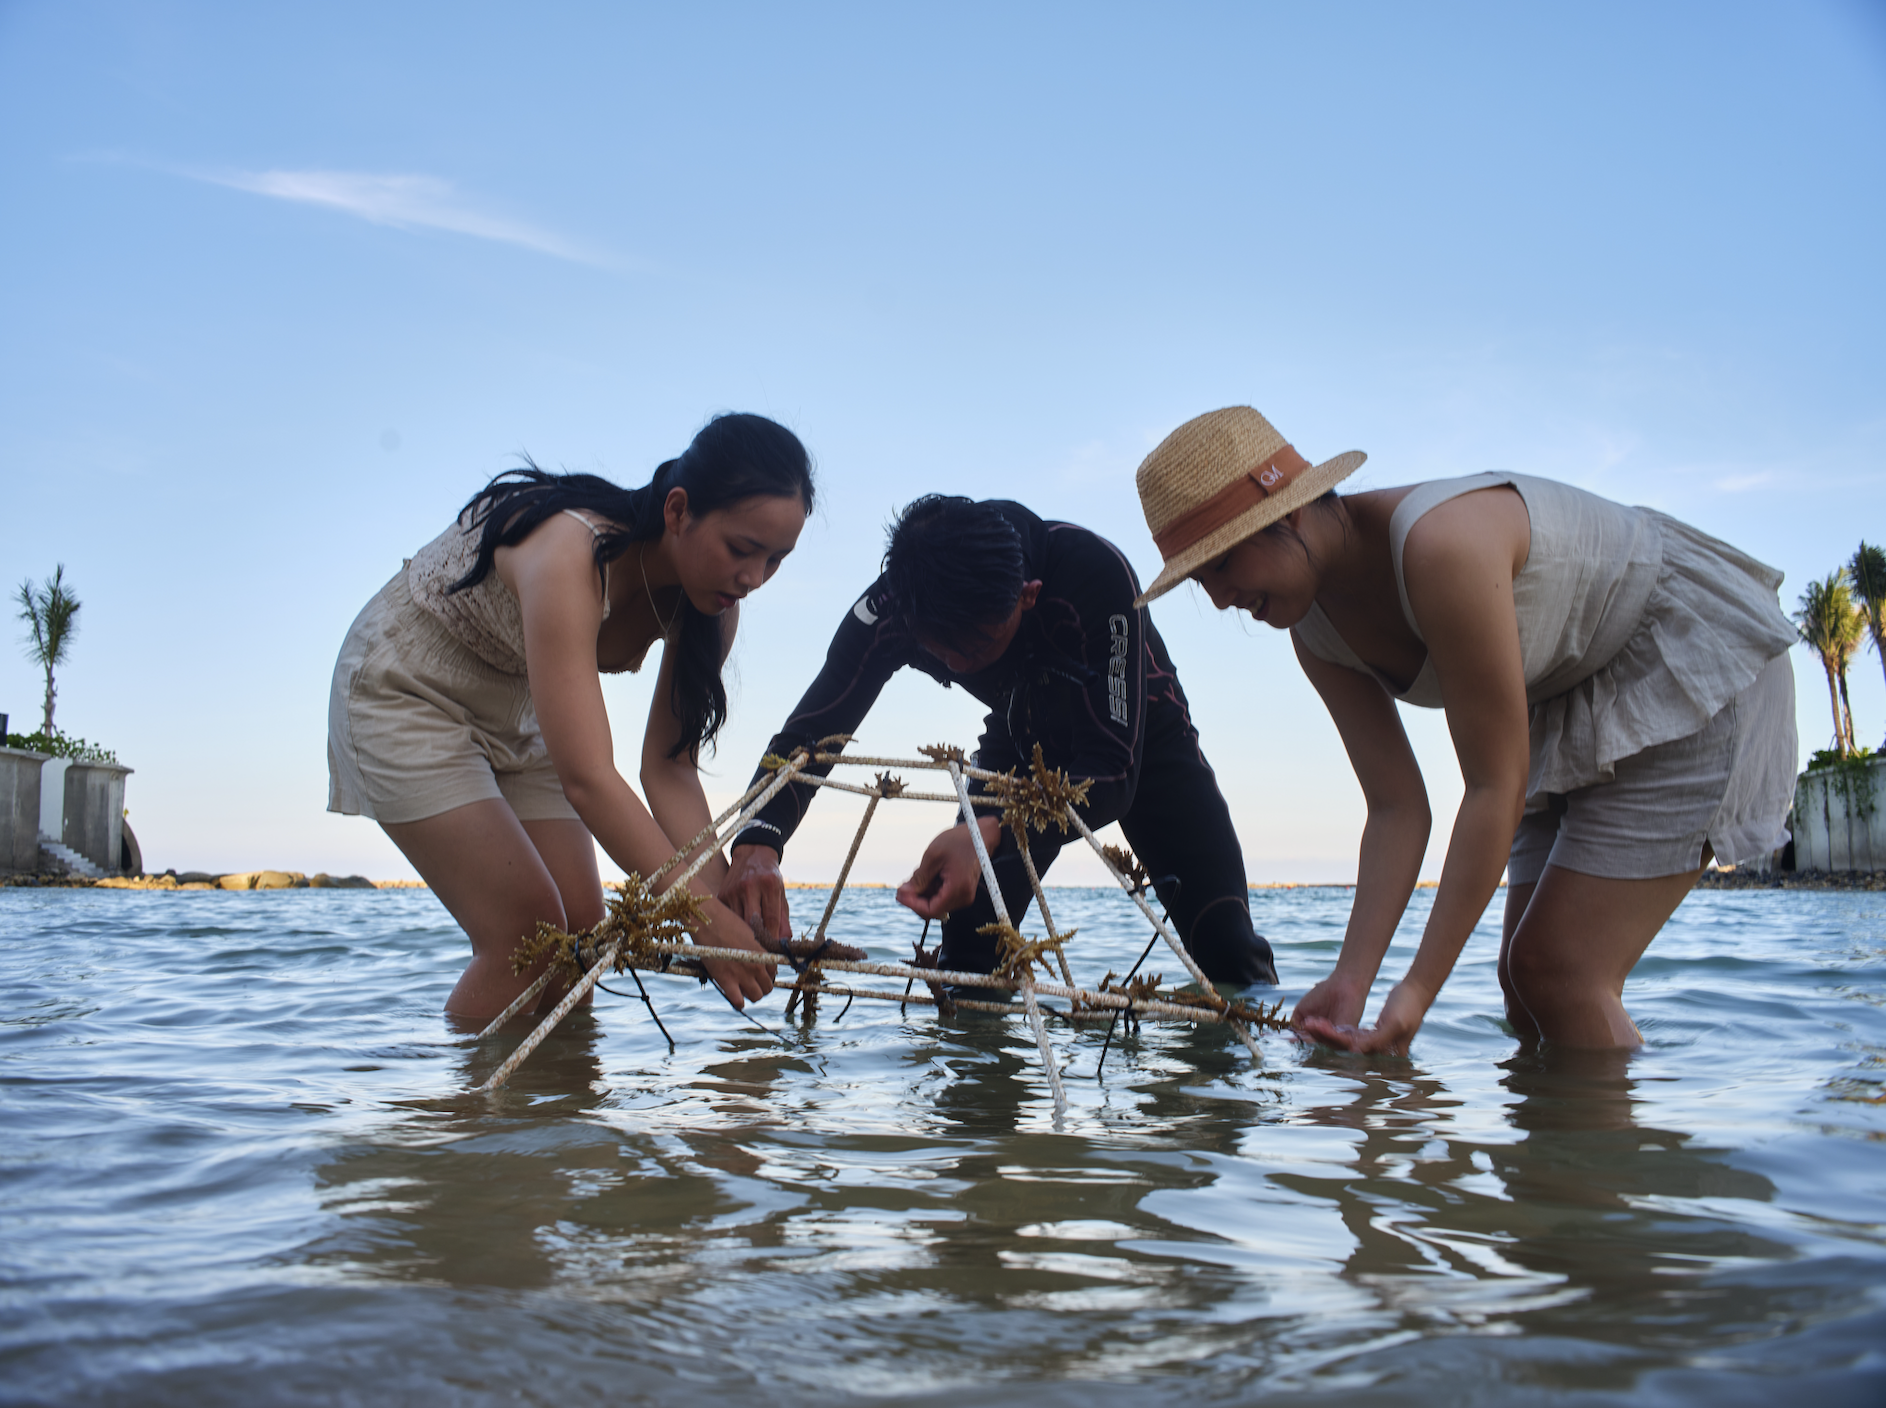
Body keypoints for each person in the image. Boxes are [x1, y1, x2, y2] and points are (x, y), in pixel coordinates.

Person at [1132, 406, 1798, 1053]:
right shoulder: (1313, 632)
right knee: (1521, 982)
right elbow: (1396, 807)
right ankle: (1561, 1166)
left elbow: (1492, 787)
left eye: (1219, 565)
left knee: (1560, 971)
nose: (1219, 600)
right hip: (1561, 704)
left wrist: (1418, 991)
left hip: (1676, 661)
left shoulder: (1440, 546)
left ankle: (1627, 1165)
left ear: (1288, 509)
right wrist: (1351, 980)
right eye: (1197, 579)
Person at [327, 413, 815, 1021]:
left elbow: (670, 771)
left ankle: (561, 1116)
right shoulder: (571, 550)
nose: (753, 579)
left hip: (519, 708)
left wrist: (724, 903)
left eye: (775, 560)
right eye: (742, 549)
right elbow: (589, 777)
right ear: (678, 510)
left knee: (580, 936)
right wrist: (702, 920)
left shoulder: (712, 607)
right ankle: (461, 1110)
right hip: (406, 688)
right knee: (527, 934)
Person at [716, 494, 1279, 986]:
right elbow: (811, 733)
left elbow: (1112, 772)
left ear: (1028, 596)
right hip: (1019, 735)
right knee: (968, 967)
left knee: (1228, 953)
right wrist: (758, 840)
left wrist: (994, 833)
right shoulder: (892, 607)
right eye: (939, 653)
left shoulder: (1092, 572)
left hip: (1139, 742)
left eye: (974, 649)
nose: (956, 664)